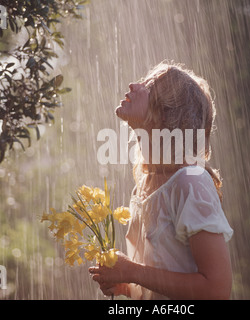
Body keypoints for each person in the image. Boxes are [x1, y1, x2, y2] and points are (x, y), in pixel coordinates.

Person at [89, 61, 233, 300]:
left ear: (166, 111)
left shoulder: (190, 183)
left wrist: (133, 272)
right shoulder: (144, 185)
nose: (133, 85)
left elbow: (216, 291)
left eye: (149, 85)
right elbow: (157, 280)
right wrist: (125, 285)